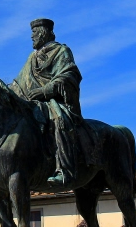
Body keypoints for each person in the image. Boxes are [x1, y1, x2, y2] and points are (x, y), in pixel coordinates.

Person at [10, 18, 92, 187]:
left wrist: (45, 91)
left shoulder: (61, 51)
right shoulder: (32, 58)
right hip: (34, 104)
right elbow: (19, 84)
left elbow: (69, 75)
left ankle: (65, 170)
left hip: (55, 102)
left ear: (43, 33)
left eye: (34, 33)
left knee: (59, 121)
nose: (31, 37)